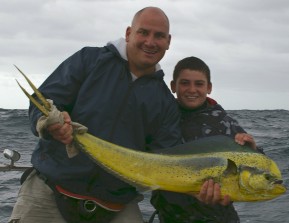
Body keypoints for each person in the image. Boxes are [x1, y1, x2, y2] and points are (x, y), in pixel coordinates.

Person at [9, 7, 182, 223]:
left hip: (115, 204)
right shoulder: (89, 60)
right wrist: (48, 123)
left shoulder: (165, 102)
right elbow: (43, 100)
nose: (150, 41)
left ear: (168, 41)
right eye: (143, 32)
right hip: (50, 190)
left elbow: (166, 161)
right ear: (129, 33)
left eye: (159, 36)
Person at [151, 56, 261, 223]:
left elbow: (258, 168)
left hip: (217, 217)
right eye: (185, 83)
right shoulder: (160, 118)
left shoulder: (225, 123)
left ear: (209, 88)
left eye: (199, 84)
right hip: (170, 216)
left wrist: (253, 149)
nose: (192, 89)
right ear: (173, 86)